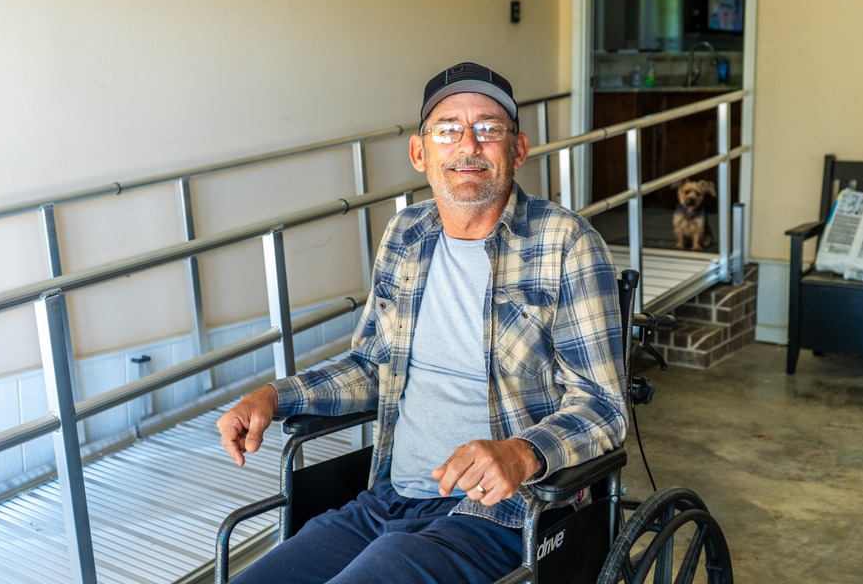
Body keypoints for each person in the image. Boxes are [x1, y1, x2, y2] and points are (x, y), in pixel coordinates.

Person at [216, 62, 627, 584]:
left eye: (489, 129)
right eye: (448, 129)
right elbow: (371, 367)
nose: (468, 145)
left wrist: (522, 454)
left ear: (518, 150)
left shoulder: (565, 243)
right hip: (388, 499)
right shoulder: (406, 235)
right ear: (420, 153)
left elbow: (603, 406)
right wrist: (275, 397)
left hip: (502, 516)